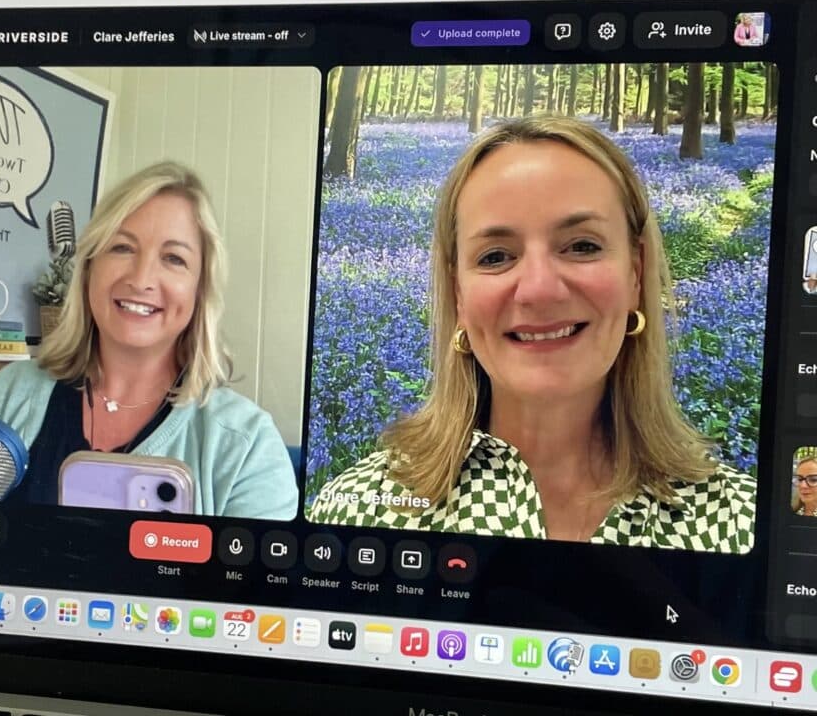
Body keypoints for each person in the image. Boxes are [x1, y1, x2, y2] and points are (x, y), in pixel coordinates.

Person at [310, 115, 756, 551]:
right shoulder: (357, 515)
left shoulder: (740, 525)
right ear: (458, 294)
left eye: (582, 246)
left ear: (635, 275)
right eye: (495, 256)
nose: (540, 290)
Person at [0, 161, 298, 519]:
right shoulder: (10, 394)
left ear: (200, 290)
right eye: (122, 248)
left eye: (174, 258)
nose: (141, 279)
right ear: (89, 267)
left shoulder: (247, 446)